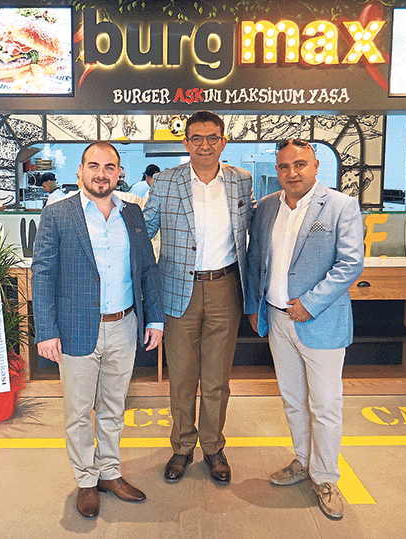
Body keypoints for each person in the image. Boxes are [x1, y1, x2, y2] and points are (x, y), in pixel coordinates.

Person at [31, 141, 165, 519]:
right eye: (94, 165)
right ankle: (86, 480)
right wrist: (46, 330)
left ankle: (109, 473)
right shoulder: (58, 214)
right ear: (80, 171)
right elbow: (42, 274)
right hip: (75, 328)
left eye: (109, 167)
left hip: (124, 325)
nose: (101, 174)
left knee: (113, 407)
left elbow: (146, 267)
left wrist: (154, 318)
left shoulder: (132, 213)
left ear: (119, 173)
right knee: (77, 412)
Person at [245, 139, 364, 520]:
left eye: (300, 164)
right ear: (277, 171)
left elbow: (350, 264)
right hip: (277, 319)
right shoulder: (267, 207)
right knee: (293, 399)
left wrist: (310, 304)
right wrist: (253, 307)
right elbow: (254, 258)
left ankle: (326, 477)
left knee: (325, 404)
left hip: (320, 321)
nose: (292, 173)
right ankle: (303, 460)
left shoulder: (341, 206)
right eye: (284, 166)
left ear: (315, 166)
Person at [143, 110, 255, 485]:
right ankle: (181, 447)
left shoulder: (241, 180)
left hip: (225, 287)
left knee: (217, 379)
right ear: (186, 142)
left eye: (212, 137)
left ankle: (213, 447)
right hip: (178, 289)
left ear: (223, 141)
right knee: (182, 377)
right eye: (196, 138)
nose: (204, 145)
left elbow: (253, 230)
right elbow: (144, 230)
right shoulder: (165, 181)